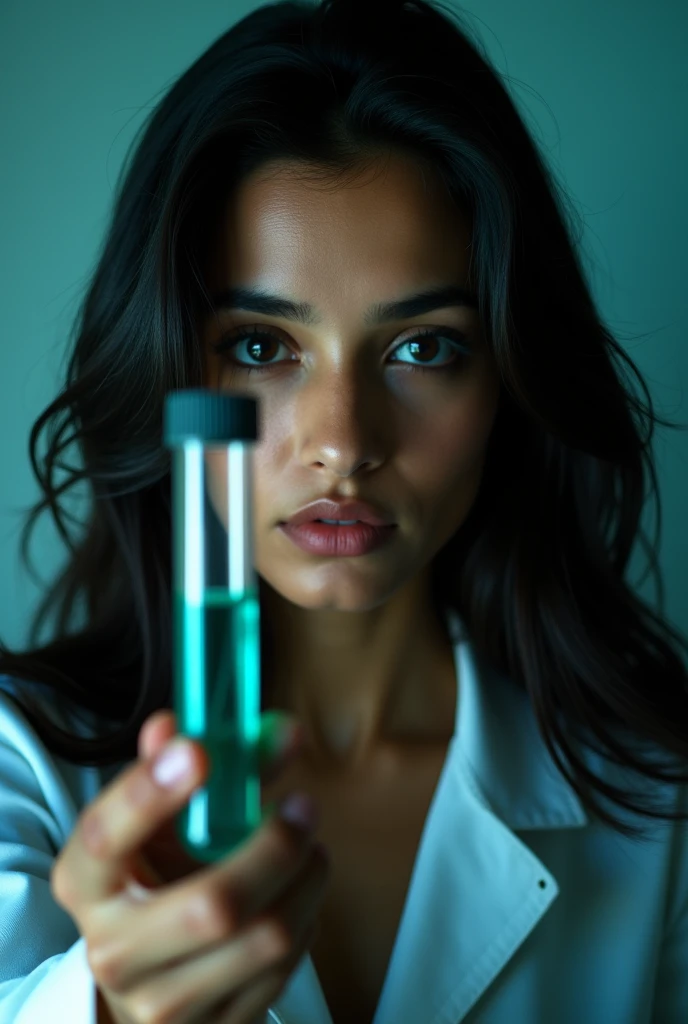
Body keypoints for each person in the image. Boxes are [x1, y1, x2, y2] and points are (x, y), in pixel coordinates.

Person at [1, 0, 687, 1021]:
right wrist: (107, 1004)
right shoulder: (25, 765)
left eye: (422, 347)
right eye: (260, 346)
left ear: (509, 377)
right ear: (166, 370)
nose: (343, 439)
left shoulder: (658, 799)